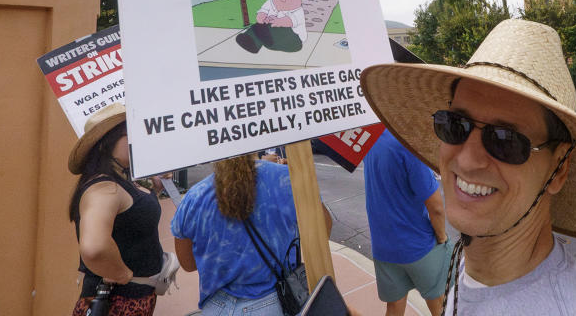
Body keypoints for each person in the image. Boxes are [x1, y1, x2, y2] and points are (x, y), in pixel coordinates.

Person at [361, 19, 576, 316]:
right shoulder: (477, 266)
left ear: (558, 169)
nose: (467, 160)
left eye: (505, 140)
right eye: (455, 124)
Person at [171, 153, 332, 315]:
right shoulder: (285, 179)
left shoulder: (194, 197)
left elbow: (188, 264)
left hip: (216, 307)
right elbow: (322, 230)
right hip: (275, 304)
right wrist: (302, 181)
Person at [68, 104, 168, 316]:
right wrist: (122, 274)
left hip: (132, 300)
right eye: (130, 135)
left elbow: (133, 217)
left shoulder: (119, 181)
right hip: (117, 303)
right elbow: (94, 247)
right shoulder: (104, 188)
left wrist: (155, 188)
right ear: (106, 144)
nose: (138, 141)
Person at [364, 129, 452, 316]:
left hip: (383, 247)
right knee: (438, 303)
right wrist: (442, 237)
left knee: (395, 306)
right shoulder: (407, 146)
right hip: (417, 246)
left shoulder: (370, 140)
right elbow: (436, 207)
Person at [236, 0, 308, 54]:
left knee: (268, 27)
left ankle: (265, 40)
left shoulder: (298, 11)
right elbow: (261, 14)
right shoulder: (270, 2)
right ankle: (251, 43)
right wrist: (263, 19)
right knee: (258, 25)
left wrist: (277, 21)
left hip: (294, 41)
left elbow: (290, 21)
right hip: (271, 37)